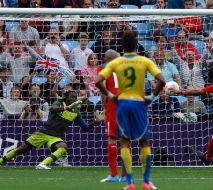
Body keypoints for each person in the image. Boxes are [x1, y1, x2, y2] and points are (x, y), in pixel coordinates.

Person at [95, 31, 165, 190]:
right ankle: (146, 182)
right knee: (144, 141)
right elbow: (161, 80)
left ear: (122, 47)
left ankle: (130, 183)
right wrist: (152, 96)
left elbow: (98, 80)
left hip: (122, 103)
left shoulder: (115, 62)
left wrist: (110, 95)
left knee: (124, 142)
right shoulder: (144, 60)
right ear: (136, 46)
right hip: (139, 103)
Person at [0, 91, 96, 169]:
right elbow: (52, 109)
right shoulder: (59, 103)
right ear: (65, 98)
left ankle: (42, 164)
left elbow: (86, 128)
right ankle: (1, 161)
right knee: (21, 150)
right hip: (43, 132)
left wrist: (95, 121)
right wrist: (66, 108)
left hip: (55, 136)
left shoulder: (76, 113)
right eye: (71, 97)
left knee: (63, 147)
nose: (74, 99)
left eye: (75, 97)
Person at [97, 49, 126, 182]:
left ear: (105, 59)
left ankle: (113, 175)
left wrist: (104, 105)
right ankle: (126, 176)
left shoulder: (103, 69)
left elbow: (102, 87)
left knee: (112, 139)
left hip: (113, 105)